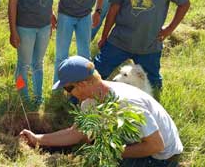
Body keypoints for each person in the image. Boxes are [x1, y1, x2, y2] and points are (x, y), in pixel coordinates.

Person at [20, 56, 183, 167]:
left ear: (82, 84)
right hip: (139, 143)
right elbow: (77, 134)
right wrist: (37, 139)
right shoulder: (90, 102)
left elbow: (156, 145)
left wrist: (111, 152)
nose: (67, 93)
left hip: (161, 157)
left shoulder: (125, 102)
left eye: (68, 88)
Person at [94, 0, 190, 95]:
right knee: (98, 71)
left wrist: (169, 29)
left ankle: (153, 111)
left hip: (149, 44)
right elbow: (113, 10)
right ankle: (77, 103)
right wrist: (104, 36)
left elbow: (184, 3)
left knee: (152, 82)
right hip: (120, 40)